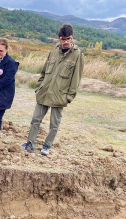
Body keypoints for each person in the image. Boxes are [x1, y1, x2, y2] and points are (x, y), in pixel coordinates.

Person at [21, 24, 84, 156]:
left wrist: (69, 96)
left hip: (59, 96)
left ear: (72, 37)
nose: (65, 42)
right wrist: (39, 87)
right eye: (63, 39)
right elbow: (43, 72)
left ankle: (46, 146)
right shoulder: (53, 52)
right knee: (35, 119)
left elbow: (76, 78)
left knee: (54, 124)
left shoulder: (77, 55)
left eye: (68, 39)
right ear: (59, 38)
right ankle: (30, 144)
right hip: (44, 93)